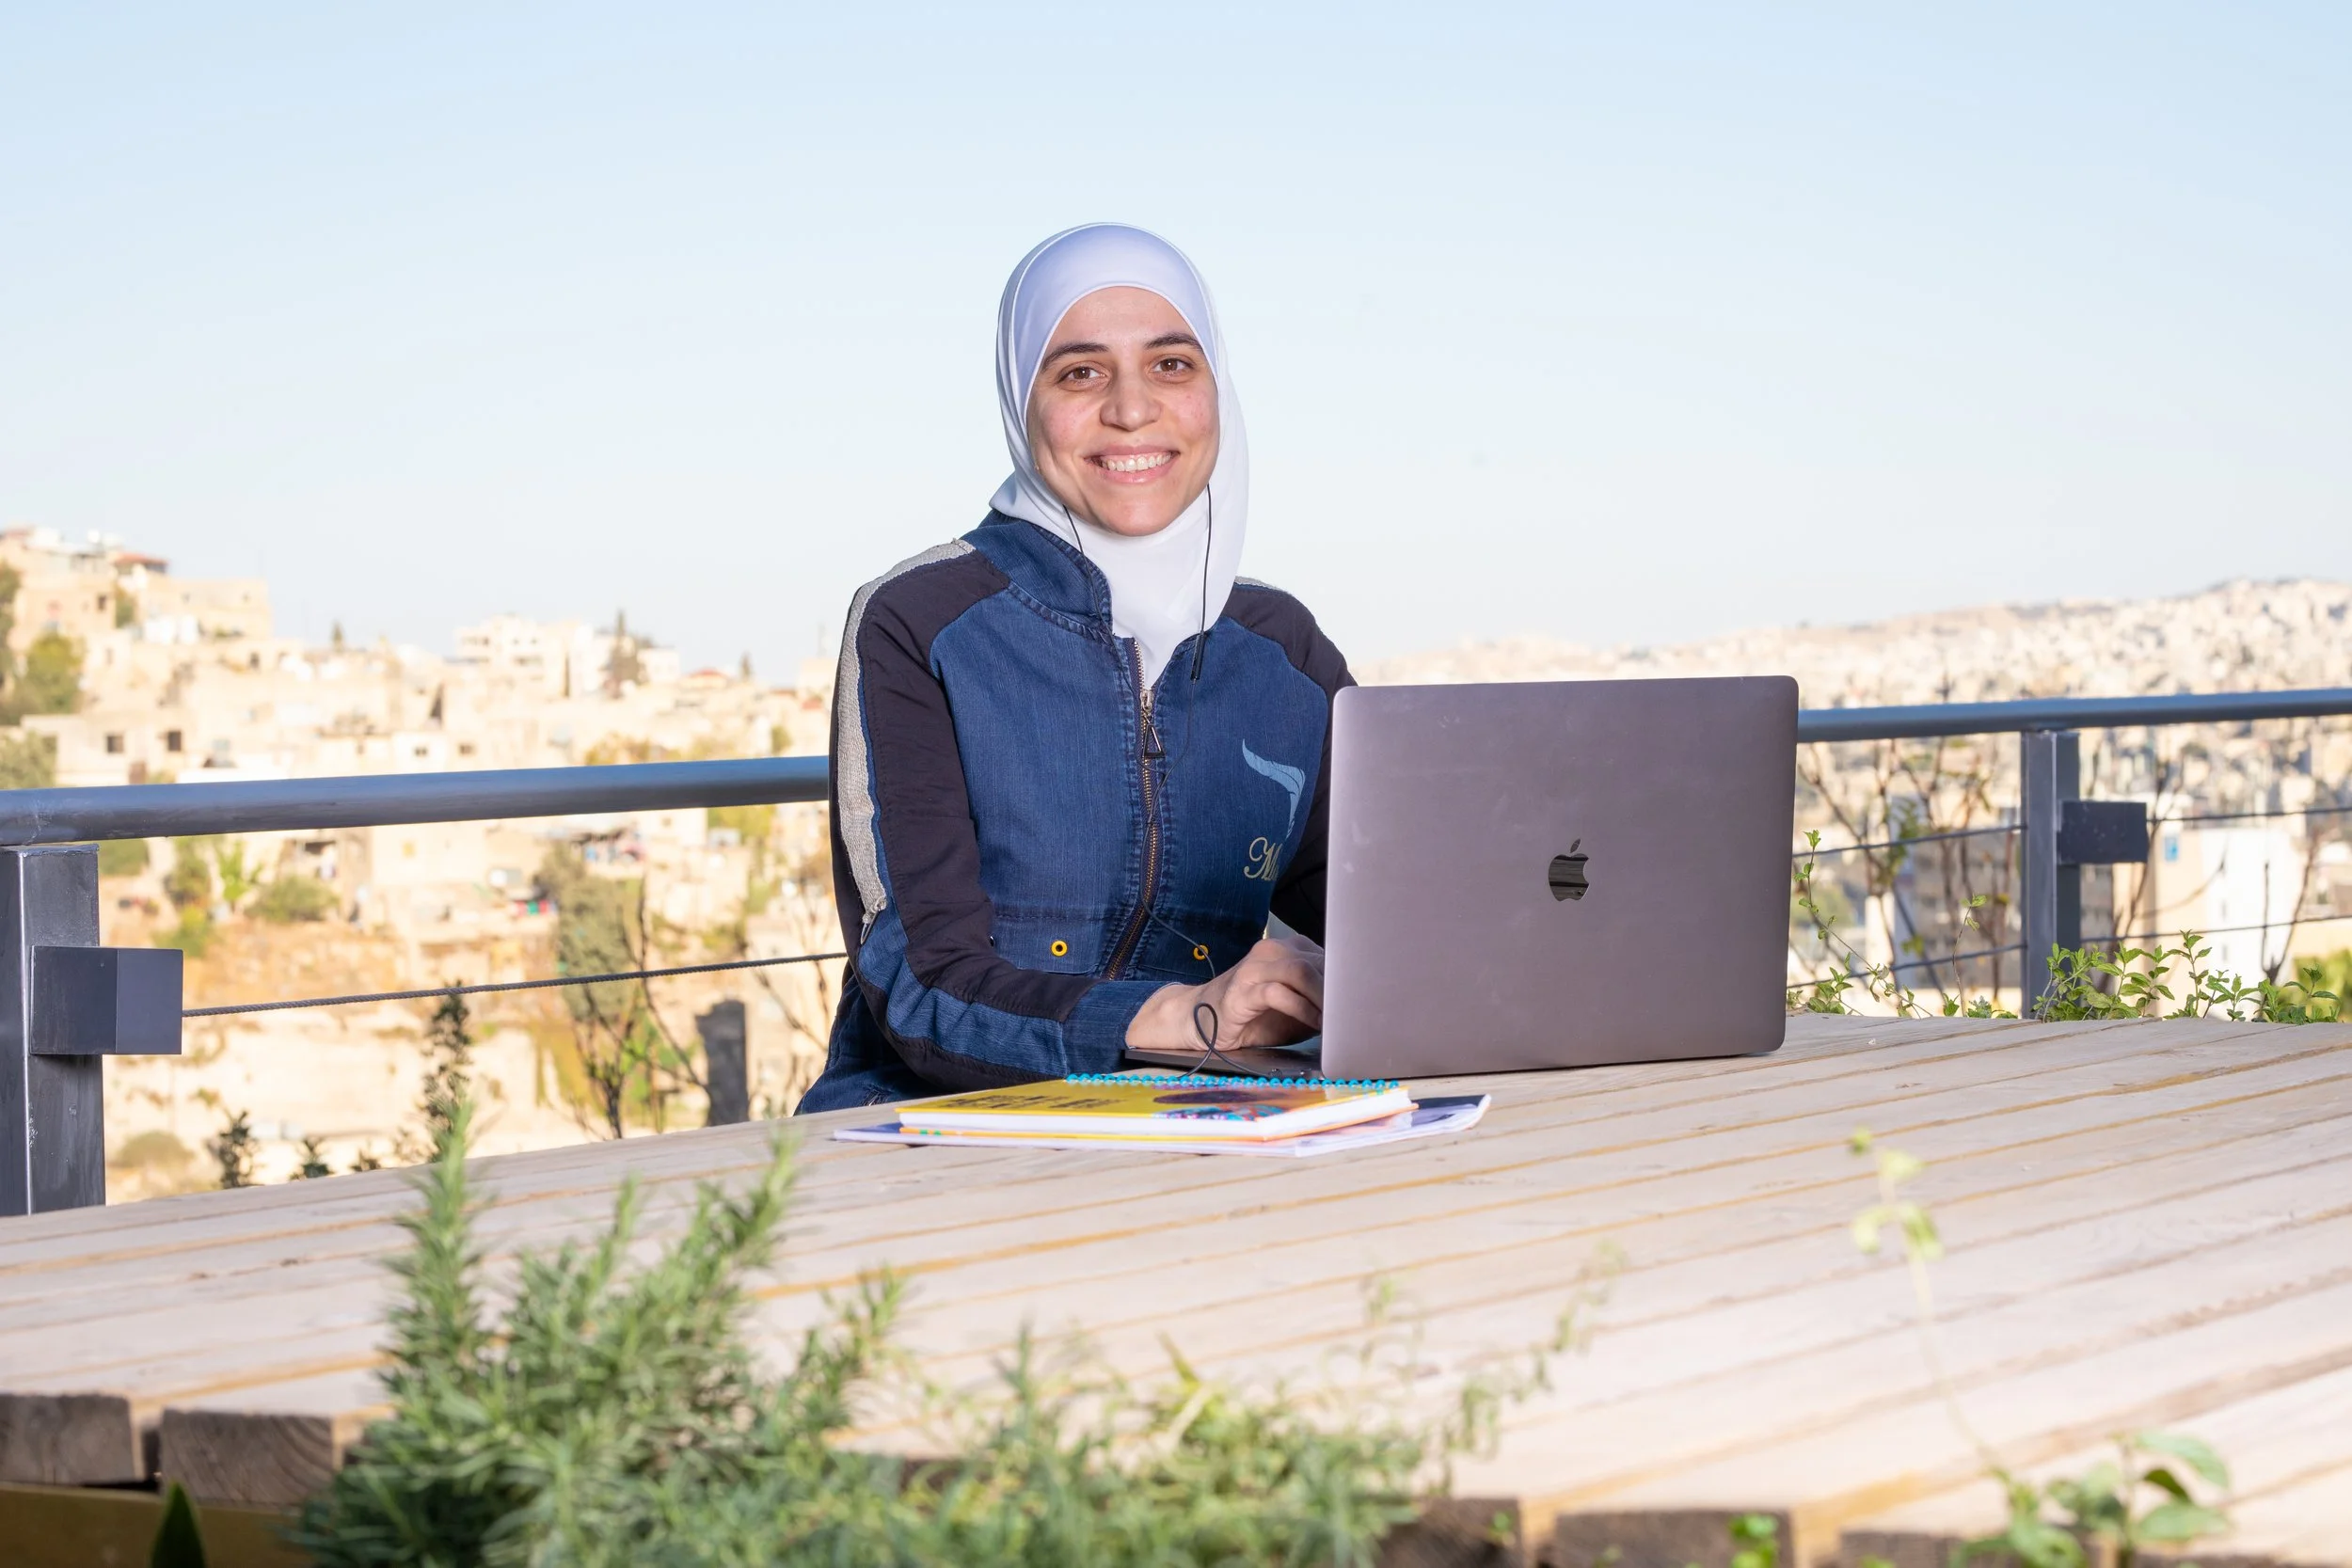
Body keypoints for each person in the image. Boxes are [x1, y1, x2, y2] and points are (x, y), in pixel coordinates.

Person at [797, 224, 1352, 1113]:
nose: (1132, 409)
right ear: (1023, 404)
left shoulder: (1281, 650)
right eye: (1080, 372)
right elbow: (921, 986)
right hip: (933, 1123)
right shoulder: (923, 621)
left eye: (1173, 365)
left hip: (1208, 1119)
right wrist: (1182, 1015)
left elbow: (1386, 918)